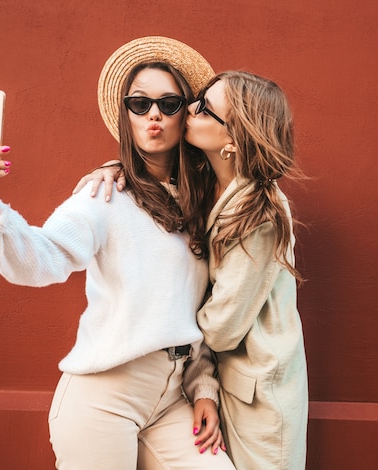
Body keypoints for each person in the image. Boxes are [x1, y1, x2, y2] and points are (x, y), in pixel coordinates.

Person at [0, 36, 236, 470]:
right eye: (139, 104)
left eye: (169, 102)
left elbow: (197, 310)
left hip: (171, 398)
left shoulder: (201, 203)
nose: (154, 114)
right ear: (126, 116)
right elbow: (41, 258)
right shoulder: (104, 195)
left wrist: (204, 390)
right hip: (104, 396)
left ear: (186, 113)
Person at [77, 70, 309, 470]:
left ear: (233, 140)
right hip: (219, 385)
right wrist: (116, 167)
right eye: (196, 99)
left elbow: (222, 328)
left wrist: (168, 310)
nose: (190, 110)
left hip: (259, 393)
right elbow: (152, 172)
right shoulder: (206, 182)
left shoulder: (260, 214)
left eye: (204, 108)